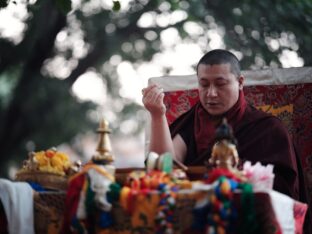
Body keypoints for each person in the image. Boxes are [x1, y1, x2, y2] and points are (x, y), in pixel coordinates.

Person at [142, 49, 308, 202]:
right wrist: (158, 116)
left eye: (220, 84)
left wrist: (237, 176)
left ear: (240, 82)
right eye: (204, 84)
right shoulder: (191, 123)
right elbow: (164, 168)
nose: (211, 93)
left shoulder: (268, 129)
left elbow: (284, 190)